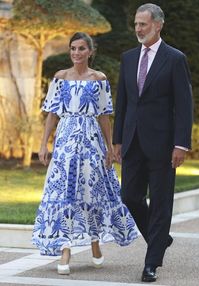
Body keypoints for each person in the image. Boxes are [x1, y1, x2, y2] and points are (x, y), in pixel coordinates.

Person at [32, 32, 138, 275]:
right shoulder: (60, 78)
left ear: (90, 51)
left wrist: (110, 149)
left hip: (91, 143)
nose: (76, 53)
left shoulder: (99, 79)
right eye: (73, 48)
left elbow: (104, 117)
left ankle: (94, 243)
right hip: (65, 144)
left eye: (81, 49)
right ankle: (65, 250)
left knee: (91, 192)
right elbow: (51, 115)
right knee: (64, 193)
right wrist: (43, 144)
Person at [113, 3, 193, 283]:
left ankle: (151, 263)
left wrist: (181, 144)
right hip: (132, 140)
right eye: (136, 24)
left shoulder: (174, 59)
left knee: (160, 203)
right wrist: (118, 139)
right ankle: (160, 240)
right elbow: (122, 101)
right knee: (130, 196)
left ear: (158, 25)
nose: (138, 29)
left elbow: (184, 105)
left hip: (163, 144)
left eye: (143, 24)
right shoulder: (128, 58)